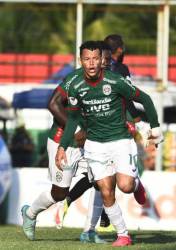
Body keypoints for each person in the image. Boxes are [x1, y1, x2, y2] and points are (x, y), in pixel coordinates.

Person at [55, 40, 162, 246]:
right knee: (105, 190)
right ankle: (123, 235)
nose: (92, 63)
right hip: (95, 146)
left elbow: (145, 99)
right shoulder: (75, 86)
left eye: (96, 58)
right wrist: (62, 147)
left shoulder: (115, 81)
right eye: (87, 59)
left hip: (121, 141)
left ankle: (137, 183)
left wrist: (155, 128)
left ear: (101, 60)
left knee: (126, 186)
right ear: (81, 61)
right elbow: (73, 120)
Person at [20, 42, 112, 244]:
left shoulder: (109, 83)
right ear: (83, 61)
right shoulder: (74, 79)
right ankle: (30, 213)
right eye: (92, 59)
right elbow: (52, 104)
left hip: (90, 143)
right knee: (59, 193)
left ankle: (89, 231)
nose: (98, 63)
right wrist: (78, 130)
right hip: (64, 141)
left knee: (101, 179)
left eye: (102, 60)